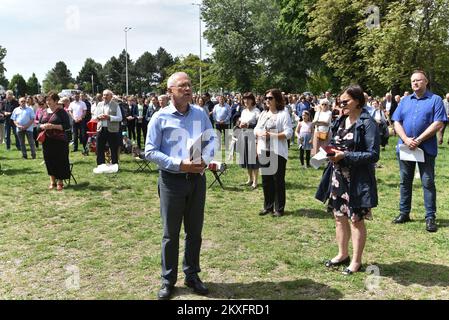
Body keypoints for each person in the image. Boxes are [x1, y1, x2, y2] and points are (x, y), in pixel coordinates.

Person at [145, 72, 216, 300]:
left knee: (194, 232)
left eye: (189, 85)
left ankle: (192, 275)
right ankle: (168, 279)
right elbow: (150, 151)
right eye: (182, 85)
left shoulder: (200, 113)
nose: (188, 89)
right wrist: (179, 164)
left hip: (197, 179)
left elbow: (211, 139)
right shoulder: (160, 117)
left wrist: (205, 157)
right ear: (170, 91)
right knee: (170, 233)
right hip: (171, 181)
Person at [316, 85, 379, 275]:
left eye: (346, 101)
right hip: (338, 177)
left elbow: (373, 154)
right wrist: (329, 151)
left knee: (356, 219)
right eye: (340, 101)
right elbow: (335, 142)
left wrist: (345, 156)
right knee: (338, 217)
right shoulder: (341, 119)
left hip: (357, 179)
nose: (342, 104)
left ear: (358, 101)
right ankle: (342, 254)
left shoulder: (368, 123)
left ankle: (356, 261)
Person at [391, 70, 447, 233]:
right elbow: (396, 121)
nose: (415, 83)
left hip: (426, 148)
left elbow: (438, 123)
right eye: (413, 81)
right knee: (405, 180)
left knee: (428, 182)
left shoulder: (435, 100)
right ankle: (404, 213)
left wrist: (419, 139)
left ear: (426, 82)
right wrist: (407, 139)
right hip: (406, 147)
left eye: (418, 80)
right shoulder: (405, 101)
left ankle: (430, 217)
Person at [255, 89, 293, 217]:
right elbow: (256, 129)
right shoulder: (263, 114)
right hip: (263, 150)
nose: (267, 100)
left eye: (270, 98)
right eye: (266, 98)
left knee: (278, 181)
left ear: (277, 99)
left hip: (277, 152)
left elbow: (288, 133)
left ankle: (279, 208)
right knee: (266, 180)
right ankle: (268, 206)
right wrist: (259, 134)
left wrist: (271, 135)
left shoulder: (283, 113)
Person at [38, 92, 72, 191]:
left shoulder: (61, 112)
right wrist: (41, 126)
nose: (47, 102)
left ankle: (60, 182)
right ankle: (52, 181)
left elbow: (67, 126)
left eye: (50, 100)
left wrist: (53, 126)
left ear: (56, 101)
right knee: (49, 160)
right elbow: (38, 124)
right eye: (46, 100)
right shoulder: (44, 112)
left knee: (60, 160)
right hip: (47, 141)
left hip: (60, 141)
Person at [92, 90, 123, 168]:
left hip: (112, 130)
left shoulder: (116, 105)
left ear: (111, 96)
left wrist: (109, 117)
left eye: (106, 95)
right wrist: (98, 117)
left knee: (113, 148)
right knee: (99, 148)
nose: (104, 97)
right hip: (101, 129)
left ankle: (114, 165)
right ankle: (100, 165)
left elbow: (120, 118)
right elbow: (94, 116)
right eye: (104, 95)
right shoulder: (99, 104)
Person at [236, 92, 260, 189]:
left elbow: (259, 125)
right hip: (243, 135)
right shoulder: (243, 111)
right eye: (244, 99)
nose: (246, 101)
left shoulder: (257, 111)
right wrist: (239, 124)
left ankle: (255, 181)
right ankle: (249, 179)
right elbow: (240, 122)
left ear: (252, 100)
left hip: (252, 136)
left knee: (253, 159)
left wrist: (249, 125)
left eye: (248, 99)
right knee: (246, 158)